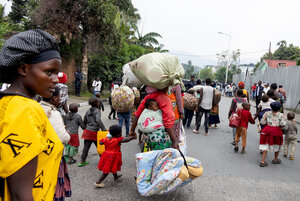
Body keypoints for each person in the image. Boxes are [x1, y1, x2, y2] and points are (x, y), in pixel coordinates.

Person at [0, 29, 64, 201]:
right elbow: (20, 195)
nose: (56, 79)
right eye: (49, 71)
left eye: (56, 73)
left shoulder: (7, 103)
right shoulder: (25, 109)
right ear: (23, 68)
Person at [40, 86, 72, 200]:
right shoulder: (53, 113)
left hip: (40, 156)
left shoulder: (37, 108)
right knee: (54, 187)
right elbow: (62, 137)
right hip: (53, 157)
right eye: (59, 97)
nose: (59, 99)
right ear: (54, 98)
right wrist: (67, 134)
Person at [78, 97, 106, 167]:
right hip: (95, 132)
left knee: (86, 147)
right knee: (100, 146)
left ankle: (82, 161)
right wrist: (103, 129)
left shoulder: (88, 111)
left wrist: (85, 128)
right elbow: (98, 120)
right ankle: (103, 161)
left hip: (87, 132)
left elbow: (84, 119)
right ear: (97, 103)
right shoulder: (97, 111)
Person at [259, 102, 287, 167]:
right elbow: (282, 124)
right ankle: (275, 159)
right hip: (277, 130)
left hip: (267, 129)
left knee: (265, 144)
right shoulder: (282, 115)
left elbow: (262, 122)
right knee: (277, 144)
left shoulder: (267, 113)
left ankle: (263, 161)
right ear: (279, 108)